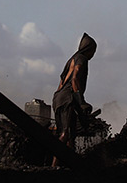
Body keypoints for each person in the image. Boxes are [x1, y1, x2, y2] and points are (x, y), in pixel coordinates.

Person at [52, 33, 97, 167]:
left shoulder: (70, 60)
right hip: (67, 98)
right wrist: (81, 101)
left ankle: (71, 164)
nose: (93, 54)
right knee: (65, 133)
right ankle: (53, 166)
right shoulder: (82, 59)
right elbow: (75, 78)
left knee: (70, 134)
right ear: (88, 49)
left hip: (58, 97)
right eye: (93, 51)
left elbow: (61, 82)